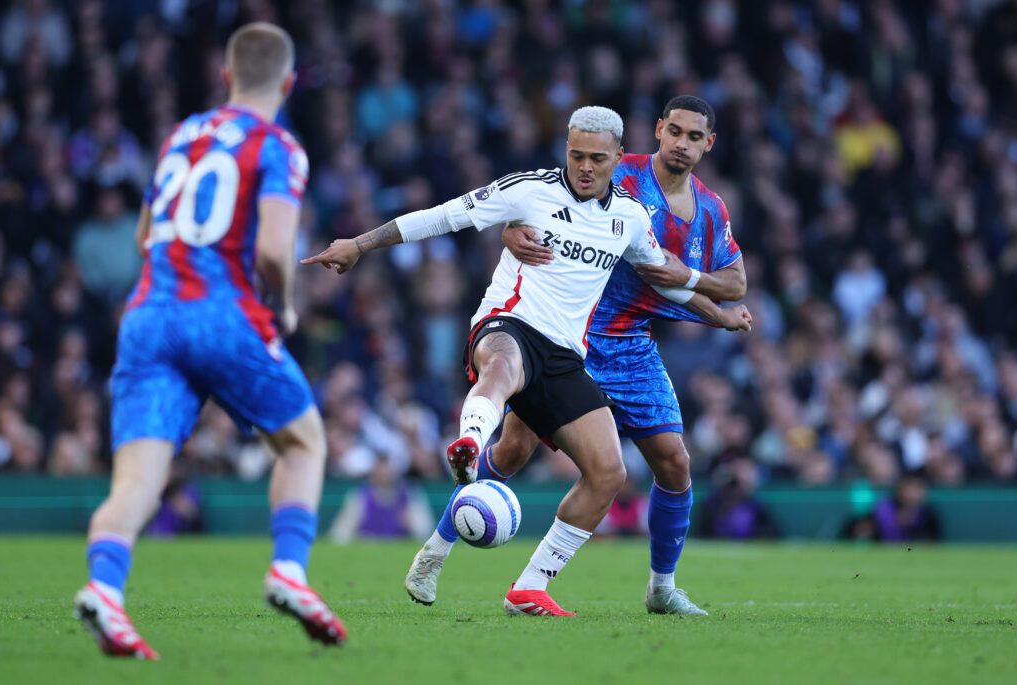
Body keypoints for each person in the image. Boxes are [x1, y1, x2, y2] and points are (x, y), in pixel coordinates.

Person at [303, 105, 751, 617]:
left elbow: (661, 274)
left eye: (596, 159)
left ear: (616, 158)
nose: (585, 167)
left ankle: (528, 587)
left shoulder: (633, 216)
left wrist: (719, 314)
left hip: (571, 352)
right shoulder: (531, 188)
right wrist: (359, 245)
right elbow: (443, 216)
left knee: (607, 471)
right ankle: (469, 443)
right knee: (503, 371)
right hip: (511, 323)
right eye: (576, 155)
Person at [73, 23, 346, 660]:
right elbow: (274, 250)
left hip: (148, 317)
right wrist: (282, 306)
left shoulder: (181, 136)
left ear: (226, 77)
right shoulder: (279, 146)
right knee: (303, 442)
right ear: (289, 82)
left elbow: (144, 238)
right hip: (221, 316)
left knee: (138, 481)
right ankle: (289, 570)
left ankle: (105, 587)